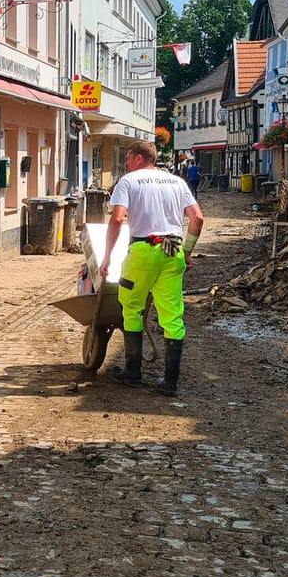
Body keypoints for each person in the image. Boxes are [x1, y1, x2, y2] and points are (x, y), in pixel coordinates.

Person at [98, 140, 205, 396]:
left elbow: (117, 218)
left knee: (132, 307)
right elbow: (197, 218)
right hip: (172, 251)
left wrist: (107, 257)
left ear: (137, 158)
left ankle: (133, 374)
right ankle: (170, 383)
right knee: (172, 315)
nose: (126, 164)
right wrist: (187, 252)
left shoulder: (129, 181)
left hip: (144, 252)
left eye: (127, 159)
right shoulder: (177, 182)